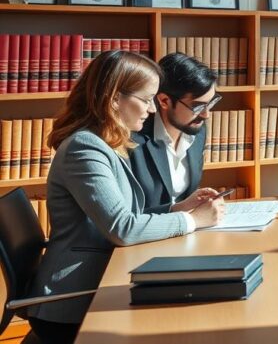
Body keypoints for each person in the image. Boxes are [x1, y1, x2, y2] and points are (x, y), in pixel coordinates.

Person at [26, 51, 224, 344]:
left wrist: (175, 207)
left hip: (100, 282)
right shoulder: (85, 148)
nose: (152, 110)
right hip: (72, 302)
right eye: (146, 100)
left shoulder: (104, 142)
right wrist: (190, 220)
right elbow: (123, 228)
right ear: (115, 98)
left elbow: (126, 213)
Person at [129, 53, 221, 214]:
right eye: (198, 107)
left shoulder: (197, 131)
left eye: (211, 103)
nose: (206, 114)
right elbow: (128, 215)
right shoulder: (132, 138)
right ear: (164, 101)